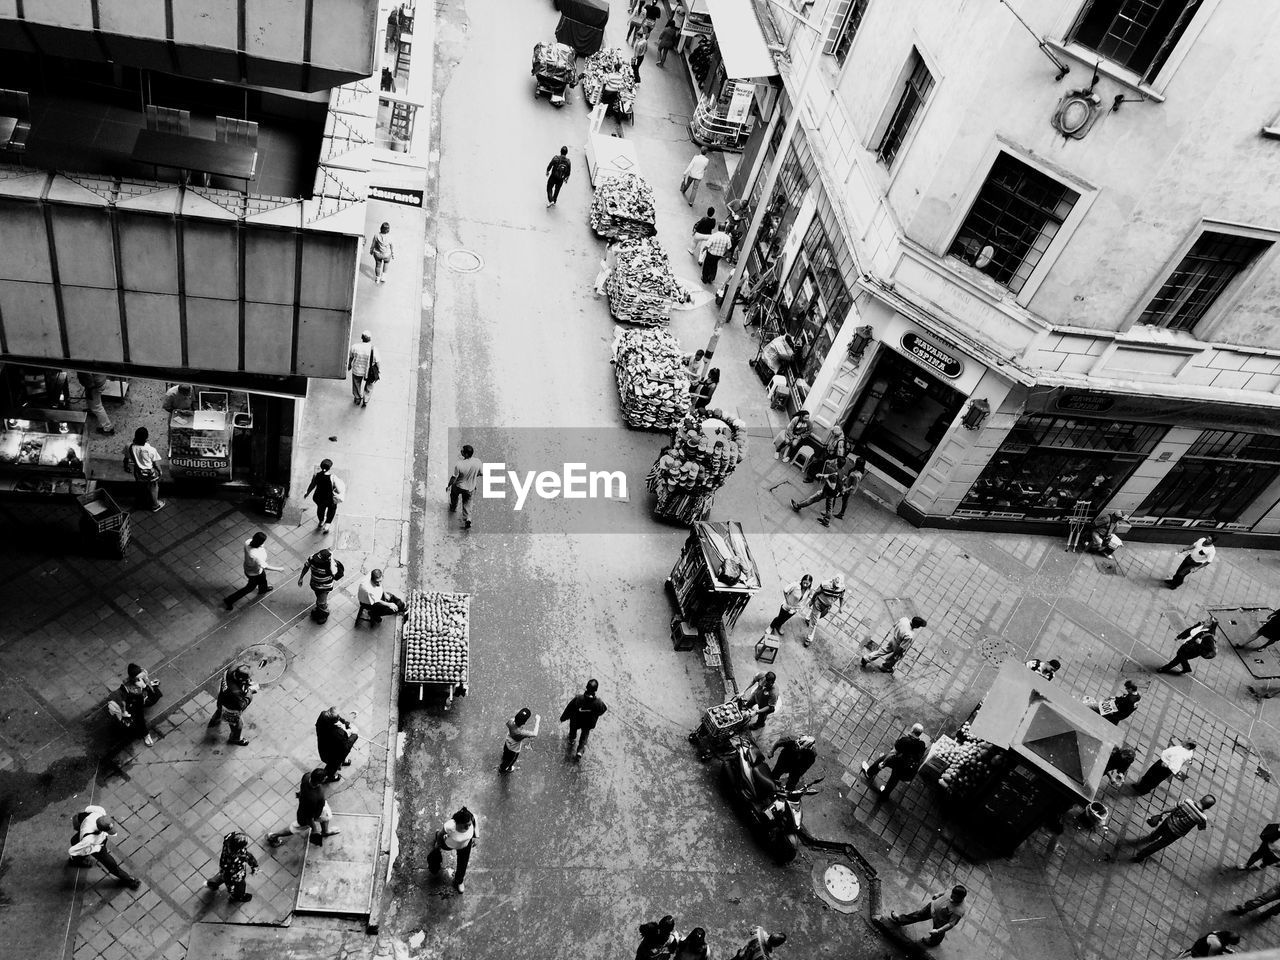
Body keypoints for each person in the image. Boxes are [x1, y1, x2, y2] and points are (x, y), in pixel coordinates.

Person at [68, 805, 141, 889]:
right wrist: (95, 849)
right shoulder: (90, 839)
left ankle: (75, 860)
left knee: (74, 841)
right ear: (102, 829)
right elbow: (72, 851)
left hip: (84, 833)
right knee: (110, 864)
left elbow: (87, 809)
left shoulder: (98, 812)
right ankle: (128, 880)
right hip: (95, 846)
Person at [1129, 794, 1215, 863]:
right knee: (1159, 844)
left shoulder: (1187, 802)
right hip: (1175, 833)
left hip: (1168, 822)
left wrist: (1161, 813)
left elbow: (1172, 808)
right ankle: (1140, 856)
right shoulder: (1202, 818)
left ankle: (1151, 838)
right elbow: (1201, 828)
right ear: (1208, 807)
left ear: (1201, 798)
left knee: (1158, 832)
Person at [267, 769, 340, 848]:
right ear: (319, 781)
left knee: (326, 816)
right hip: (308, 815)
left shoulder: (307, 777)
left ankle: (325, 831)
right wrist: (314, 829)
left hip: (312, 808)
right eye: (325, 778)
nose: (326, 778)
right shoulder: (316, 797)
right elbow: (309, 817)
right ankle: (273, 836)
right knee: (295, 827)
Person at [887, 885, 968, 948]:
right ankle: (900, 919)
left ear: (960, 898)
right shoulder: (953, 889)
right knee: (917, 914)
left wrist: (938, 930)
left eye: (954, 897)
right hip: (932, 907)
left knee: (937, 934)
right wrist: (938, 894)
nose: (951, 897)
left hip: (941, 920)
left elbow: (951, 924)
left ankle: (934, 941)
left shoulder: (959, 911)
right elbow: (945, 892)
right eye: (952, 894)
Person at [862, 723, 928, 797]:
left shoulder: (905, 740)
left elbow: (893, 752)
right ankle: (884, 794)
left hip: (898, 762)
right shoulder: (922, 745)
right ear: (920, 734)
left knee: (884, 758)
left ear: (912, 730)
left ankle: (869, 773)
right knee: (894, 779)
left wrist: (883, 763)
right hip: (907, 768)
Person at [224, 532, 284, 610]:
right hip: (254, 574)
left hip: (250, 569)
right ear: (260, 543)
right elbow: (265, 566)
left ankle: (263, 589)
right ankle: (229, 600)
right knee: (250, 588)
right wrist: (279, 569)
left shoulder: (248, 542)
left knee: (263, 580)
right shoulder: (256, 555)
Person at [427, 807, 476, 893]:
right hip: (449, 844)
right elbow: (441, 835)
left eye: (469, 824)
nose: (468, 826)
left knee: (463, 864)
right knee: (438, 837)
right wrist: (438, 844)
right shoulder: (450, 826)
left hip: (465, 846)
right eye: (466, 825)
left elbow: (475, 823)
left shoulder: (471, 820)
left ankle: (459, 880)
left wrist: (475, 836)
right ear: (458, 823)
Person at [204, 831, 258, 904]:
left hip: (225, 866)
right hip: (235, 874)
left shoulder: (228, 842)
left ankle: (212, 883)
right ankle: (238, 896)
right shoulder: (239, 856)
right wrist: (254, 867)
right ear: (239, 848)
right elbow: (248, 857)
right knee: (239, 886)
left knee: (223, 875)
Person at [560, 679, 608, 760]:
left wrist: (564, 717)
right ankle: (580, 750)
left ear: (586, 687)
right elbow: (603, 709)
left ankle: (572, 739)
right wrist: (595, 715)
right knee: (584, 735)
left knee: (573, 729)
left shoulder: (579, 698)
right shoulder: (598, 702)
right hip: (588, 723)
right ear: (596, 690)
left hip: (576, 720)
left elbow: (569, 708)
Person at [114, 663, 160, 746]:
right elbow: (124, 699)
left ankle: (153, 686)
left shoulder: (142, 674)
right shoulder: (128, 687)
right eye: (139, 677)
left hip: (144, 697)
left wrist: (146, 684)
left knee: (155, 695)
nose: (141, 678)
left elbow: (146, 682)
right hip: (135, 702)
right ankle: (146, 735)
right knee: (139, 717)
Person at [1133, 738, 1197, 795]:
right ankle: (1143, 788)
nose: (1183, 740)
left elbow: (1175, 765)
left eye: (1185, 741)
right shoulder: (1187, 751)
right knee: (1153, 778)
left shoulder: (1181, 754)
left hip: (1163, 767)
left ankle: (1142, 789)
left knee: (1151, 777)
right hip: (1164, 764)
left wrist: (1167, 765)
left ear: (1188, 746)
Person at [790, 457, 843, 524]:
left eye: (835, 460)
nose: (834, 461)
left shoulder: (834, 474)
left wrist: (826, 480)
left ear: (837, 463)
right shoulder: (841, 472)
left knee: (812, 499)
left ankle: (797, 506)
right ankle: (826, 521)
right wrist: (822, 475)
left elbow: (832, 486)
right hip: (833, 493)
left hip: (827, 491)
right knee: (829, 507)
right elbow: (832, 476)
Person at [125, 426, 165, 511]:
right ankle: (155, 505)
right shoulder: (151, 450)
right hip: (150, 474)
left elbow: (126, 458)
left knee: (141, 485)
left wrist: (126, 466)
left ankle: (142, 500)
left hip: (138, 472)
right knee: (154, 487)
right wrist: (160, 471)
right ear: (147, 438)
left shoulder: (129, 446)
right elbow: (156, 464)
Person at [298, 548, 344, 618]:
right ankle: (320, 608)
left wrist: (331, 560)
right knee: (318, 598)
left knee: (321, 603)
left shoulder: (331, 565)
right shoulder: (312, 558)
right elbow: (306, 566)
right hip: (314, 584)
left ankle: (323, 615)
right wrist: (301, 577)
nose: (317, 561)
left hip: (324, 587)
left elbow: (335, 573)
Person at [316, 707, 359, 781]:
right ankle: (330, 777)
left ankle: (341, 762)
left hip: (324, 745)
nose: (339, 717)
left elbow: (338, 718)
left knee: (336, 761)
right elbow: (345, 747)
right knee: (332, 766)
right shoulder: (338, 734)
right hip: (332, 754)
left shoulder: (324, 715)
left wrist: (346, 724)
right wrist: (354, 735)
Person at [216, 666, 256, 746]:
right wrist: (249, 693)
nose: (249, 680)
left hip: (221, 699)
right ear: (240, 680)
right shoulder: (236, 693)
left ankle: (215, 718)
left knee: (219, 710)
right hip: (230, 709)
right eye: (247, 680)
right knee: (238, 725)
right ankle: (235, 738)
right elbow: (241, 705)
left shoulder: (230, 671)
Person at [804, 575, 847, 647]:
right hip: (818, 604)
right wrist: (811, 601)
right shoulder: (825, 584)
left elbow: (841, 597)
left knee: (817, 617)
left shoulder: (842, 588)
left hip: (827, 607)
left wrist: (841, 606)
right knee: (814, 622)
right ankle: (809, 638)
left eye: (838, 586)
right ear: (833, 580)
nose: (836, 587)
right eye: (835, 585)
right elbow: (816, 592)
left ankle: (808, 618)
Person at [766, 574, 813, 639]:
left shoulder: (809, 590)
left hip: (795, 609)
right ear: (802, 581)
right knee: (780, 618)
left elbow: (808, 597)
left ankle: (778, 626)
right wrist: (787, 601)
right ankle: (771, 627)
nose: (805, 585)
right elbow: (785, 591)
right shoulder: (795, 585)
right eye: (804, 582)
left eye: (807, 584)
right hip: (787, 606)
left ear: (810, 583)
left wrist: (801, 607)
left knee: (785, 619)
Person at [448, 444, 482, 529]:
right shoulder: (478, 462)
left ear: (466, 454)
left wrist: (449, 485)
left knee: (454, 495)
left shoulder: (459, 464)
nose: (461, 452)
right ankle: (467, 519)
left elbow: (454, 477)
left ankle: (453, 507)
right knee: (467, 503)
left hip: (459, 486)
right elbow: (481, 473)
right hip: (470, 488)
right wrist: (473, 476)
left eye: (462, 451)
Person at [305, 458, 344, 533]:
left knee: (320, 509)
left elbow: (312, 485)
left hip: (319, 497)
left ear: (321, 466)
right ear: (330, 468)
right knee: (332, 509)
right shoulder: (333, 477)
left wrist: (307, 493)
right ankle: (327, 525)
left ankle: (321, 521)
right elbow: (339, 490)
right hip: (329, 499)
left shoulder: (316, 475)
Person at [499, 707, 541, 773]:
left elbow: (510, 722)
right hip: (513, 749)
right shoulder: (521, 732)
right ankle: (504, 769)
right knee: (511, 760)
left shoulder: (511, 721)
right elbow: (534, 734)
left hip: (507, 742)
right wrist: (537, 721)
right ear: (524, 723)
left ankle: (504, 758)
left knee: (505, 753)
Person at [348, 331, 378, 407]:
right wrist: (378, 371)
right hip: (368, 372)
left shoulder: (355, 346)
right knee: (369, 385)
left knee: (356, 383)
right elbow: (377, 361)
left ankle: (357, 397)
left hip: (357, 370)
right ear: (370, 339)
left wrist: (349, 365)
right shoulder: (373, 349)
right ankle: (365, 400)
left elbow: (351, 357)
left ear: (362, 338)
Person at [831, 455, 865, 520]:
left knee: (834, 495)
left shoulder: (857, 475)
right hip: (846, 486)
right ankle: (841, 513)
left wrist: (845, 490)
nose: (855, 462)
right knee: (844, 500)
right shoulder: (857, 470)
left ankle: (831, 510)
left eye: (856, 462)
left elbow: (853, 486)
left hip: (846, 489)